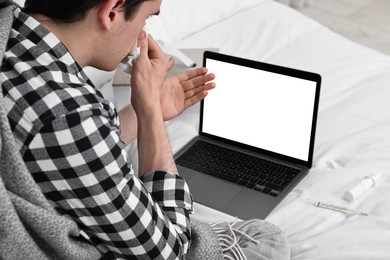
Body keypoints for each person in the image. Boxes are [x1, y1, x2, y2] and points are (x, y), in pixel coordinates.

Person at [1, 0, 290, 259]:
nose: (145, 36)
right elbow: (169, 251)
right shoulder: (68, 112)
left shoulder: (12, 32)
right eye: (148, 18)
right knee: (267, 242)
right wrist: (151, 113)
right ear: (112, 11)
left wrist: (141, 111)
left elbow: (70, 150)